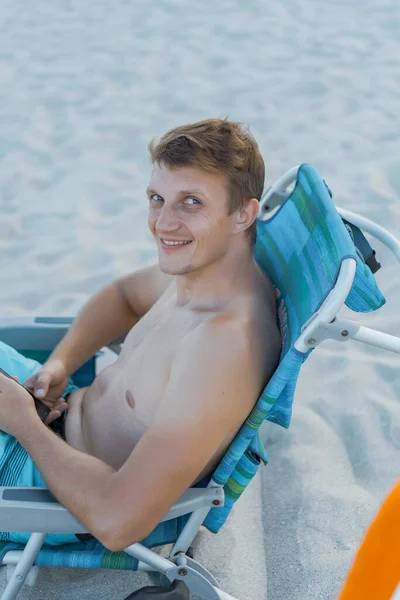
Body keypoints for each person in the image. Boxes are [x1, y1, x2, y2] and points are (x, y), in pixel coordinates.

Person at [0, 118, 281, 550]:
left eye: (190, 202)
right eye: (157, 199)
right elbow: (124, 296)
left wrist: (23, 425)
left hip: (41, 481)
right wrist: (61, 364)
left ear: (244, 213)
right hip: (53, 414)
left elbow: (118, 522)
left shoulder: (224, 348)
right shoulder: (203, 273)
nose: (163, 224)